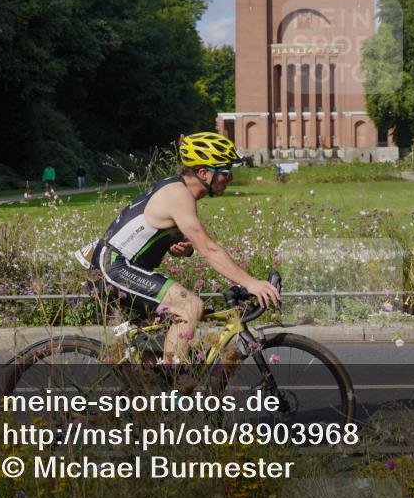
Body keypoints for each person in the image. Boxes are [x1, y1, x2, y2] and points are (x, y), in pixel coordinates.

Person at [75, 132, 280, 364]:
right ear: (203, 172)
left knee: (160, 342)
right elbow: (209, 249)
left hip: (118, 266)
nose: (230, 178)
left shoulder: (177, 187)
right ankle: (176, 383)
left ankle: (155, 381)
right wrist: (251, 283)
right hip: (113, 267)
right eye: (225, 171)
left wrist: (180, 246)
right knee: (189, 306)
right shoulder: (178, 195)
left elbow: (155, 228)